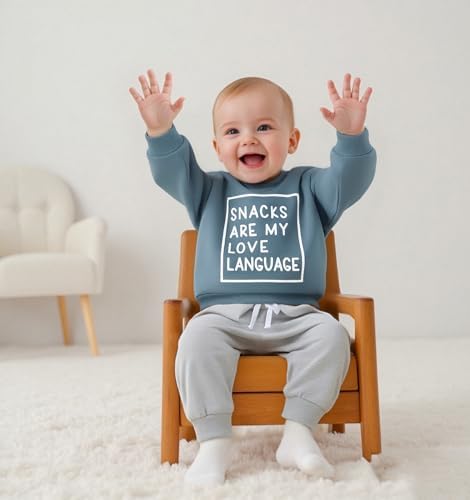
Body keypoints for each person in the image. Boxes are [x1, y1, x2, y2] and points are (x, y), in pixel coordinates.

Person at [129, 70, 376, 487]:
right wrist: (160, 131)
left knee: (331, 336)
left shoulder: (310, 187)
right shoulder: (209, 191)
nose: (248, 139)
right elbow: (172, 170)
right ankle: (213, 442)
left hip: (297, 315)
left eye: (264, 127)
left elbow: (348, 181)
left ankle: (298, 433)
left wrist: (351, 138)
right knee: (195, 340)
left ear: (292, 140)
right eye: (232, 131)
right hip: (223, 316)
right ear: (217, 148)